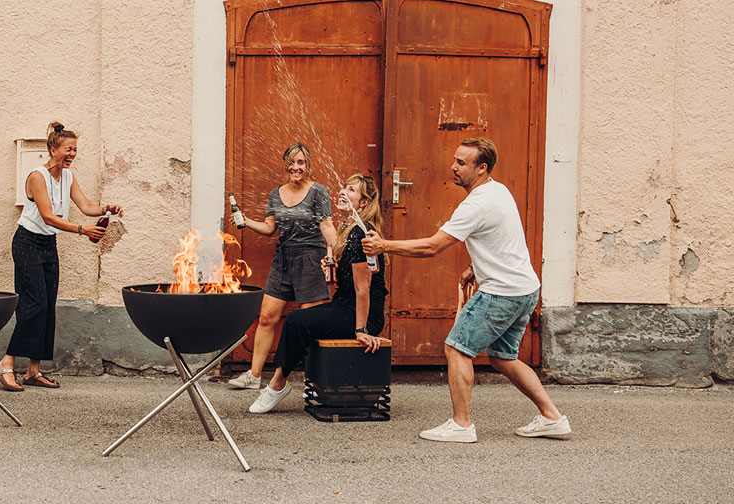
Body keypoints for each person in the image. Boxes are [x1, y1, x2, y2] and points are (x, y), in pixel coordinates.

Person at [362, 137, 571, 443]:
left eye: (462, 162)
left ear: (482, 168)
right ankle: (552, 418)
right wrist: (475, 267)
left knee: (457, 347)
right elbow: (500, 237)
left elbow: (433, 246)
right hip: (525, 289)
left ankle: (461, 425)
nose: (453, 167)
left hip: (501, 292)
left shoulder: (476, 204)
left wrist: (384, 245)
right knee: (503, 356)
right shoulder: (498, 191)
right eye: (455, 160)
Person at [0, 122, 122, 392]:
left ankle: (33, 371)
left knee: (48, 306)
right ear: (52, 149)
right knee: (33, 305)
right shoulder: (37, 176)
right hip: (27, 243)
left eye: (75, 149)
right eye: (68, 149)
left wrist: (105, 209)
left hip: (48, 244)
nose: (72, 153)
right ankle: (5, 363)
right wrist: (81, 231)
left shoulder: (68, 177)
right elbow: (48, 216)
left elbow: (86, 207)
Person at [249, 173, 388, 413]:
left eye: (352, 190)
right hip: (345, 307)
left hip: (361, 316)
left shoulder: (361, 234)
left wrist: (361, 330)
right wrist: (333, 268)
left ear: (364, 202)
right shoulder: (351, 230)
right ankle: (295, 382)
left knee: (296, 320)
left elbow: (363, 288)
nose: (344, 192)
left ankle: (277, 384)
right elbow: (350, 282)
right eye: (344, 187)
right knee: (301, 320)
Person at [227, 143, 338, 391]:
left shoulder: (318, 191)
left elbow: (327, 226)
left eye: (301, 162)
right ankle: (254, 376)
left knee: (309, 323)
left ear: (308, 165)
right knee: (267, 317)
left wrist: (335, 253)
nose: (296, 167)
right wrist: (245, 221)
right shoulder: (276, 193)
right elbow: (269, 228)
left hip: (311, 259)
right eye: (292, 162)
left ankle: (316, 378)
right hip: (283, 260)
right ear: (285, 164)